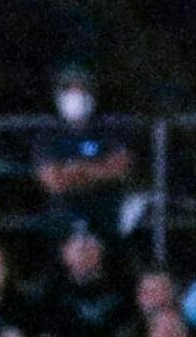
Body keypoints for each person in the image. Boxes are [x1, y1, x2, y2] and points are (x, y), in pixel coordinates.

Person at [33, 66, 133, 238]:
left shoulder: (108, 128)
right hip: (63, 210)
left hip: (106, 207)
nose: (76, 96)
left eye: (82, 89)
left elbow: (120, 169)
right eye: (70, 89)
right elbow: (53, 182)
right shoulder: (47, 134)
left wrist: (77, 170)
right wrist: (98, 170)